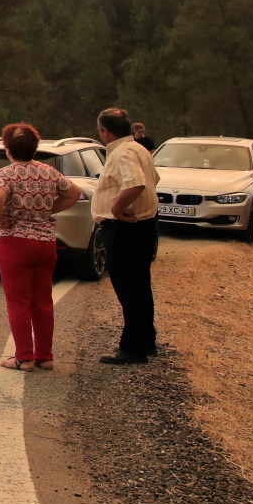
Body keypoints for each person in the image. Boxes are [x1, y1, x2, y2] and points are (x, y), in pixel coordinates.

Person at [0, 123, 80, 372]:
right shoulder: (49, 172)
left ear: (7, 148)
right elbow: (74, 193)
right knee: (42, 300)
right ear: (35, 148)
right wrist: (48, 209)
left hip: (15, 242)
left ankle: (23, 357)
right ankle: (45, 356)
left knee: (18, 301)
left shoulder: (6, 174)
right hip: (45, 242)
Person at [93, 108, 161, 365]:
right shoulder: (140, 149)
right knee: (140, 286)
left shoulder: (122, 153)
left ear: (105, 130)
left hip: (126, 230)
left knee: (129, 288)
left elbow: (136, 183)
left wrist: (116, 209)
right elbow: (154, 178)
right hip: (143, 226)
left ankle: (133, 348)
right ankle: (146, 340)